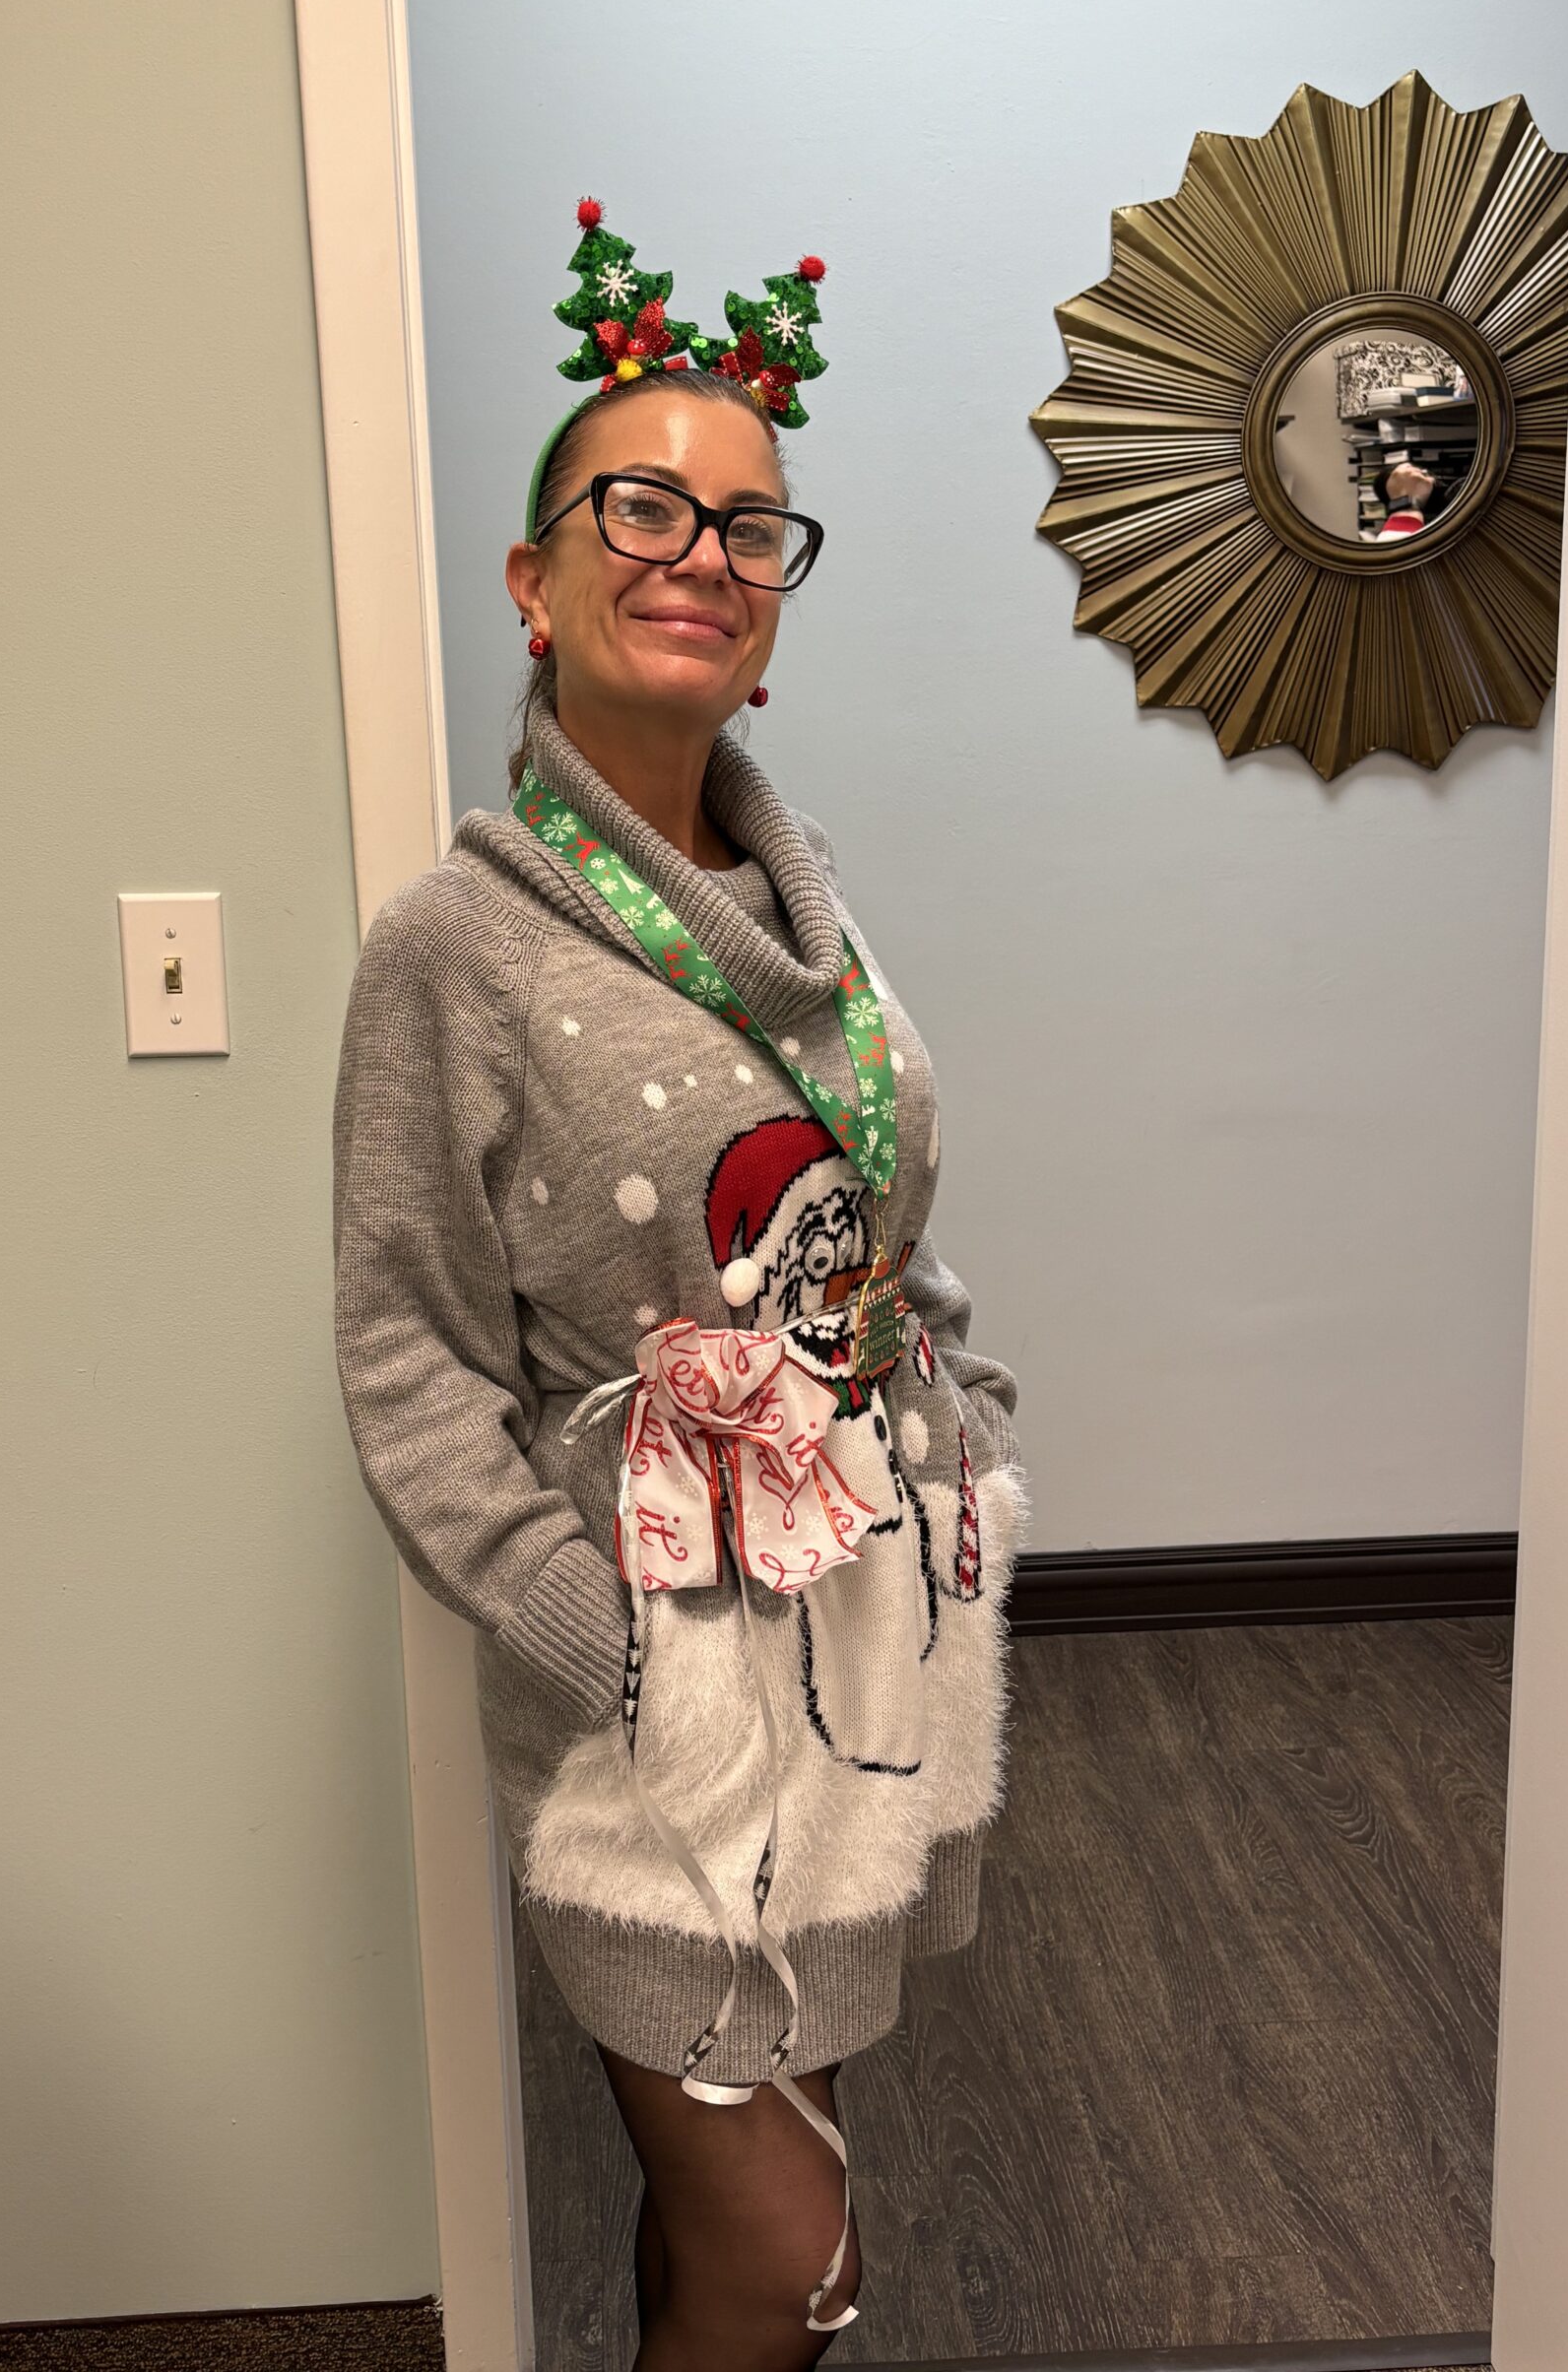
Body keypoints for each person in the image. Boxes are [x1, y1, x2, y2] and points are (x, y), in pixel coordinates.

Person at [332, 200, 1028, 2372]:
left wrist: (965, 1442)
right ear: (535, 583)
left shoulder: (806, 914)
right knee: (791, 2247)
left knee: (744, 2173)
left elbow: (873, 1214)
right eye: (638, 504)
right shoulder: (453, 946)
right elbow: (404, 1345)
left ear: (774, 614)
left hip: (861, 1645)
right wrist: (598, 1627)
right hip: (655, 1692)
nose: (699, 548)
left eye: (748, 523)